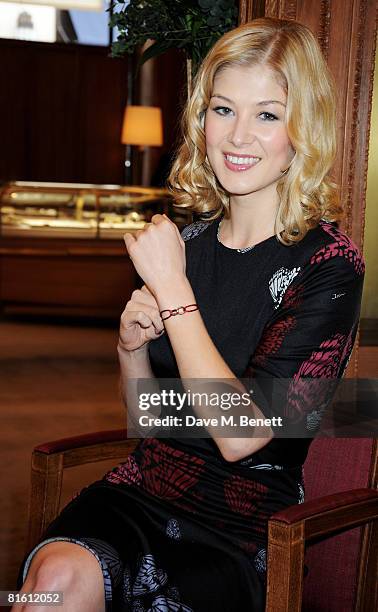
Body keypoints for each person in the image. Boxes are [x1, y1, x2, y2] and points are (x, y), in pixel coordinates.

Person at [15, 17, 365, 612]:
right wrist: (129, 347)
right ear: (201, 118)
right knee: (51, 585)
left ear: (303, 129)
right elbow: (148, 425)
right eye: (223, 110)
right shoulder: (184, 245)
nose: (238, 136)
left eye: (268, 114)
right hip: (143, 493)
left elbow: (240, 437)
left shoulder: (328, 265)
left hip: (243, 527)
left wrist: (175, 292)